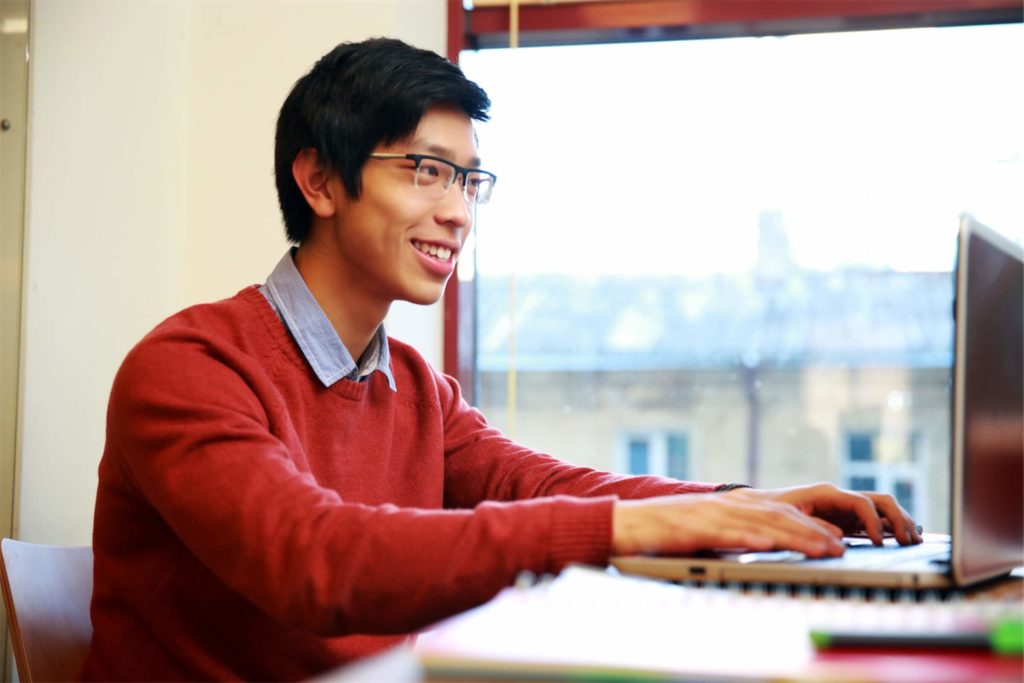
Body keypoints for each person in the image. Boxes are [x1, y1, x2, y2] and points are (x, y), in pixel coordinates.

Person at [81, 37, 921, 681]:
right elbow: (315, 557)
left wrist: (746, 503)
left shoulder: (413, 387)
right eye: (424, 170)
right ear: (320, 181)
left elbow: (549, 487)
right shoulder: (188, 366)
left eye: (469, 181)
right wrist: (629, 529)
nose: (457, 212)